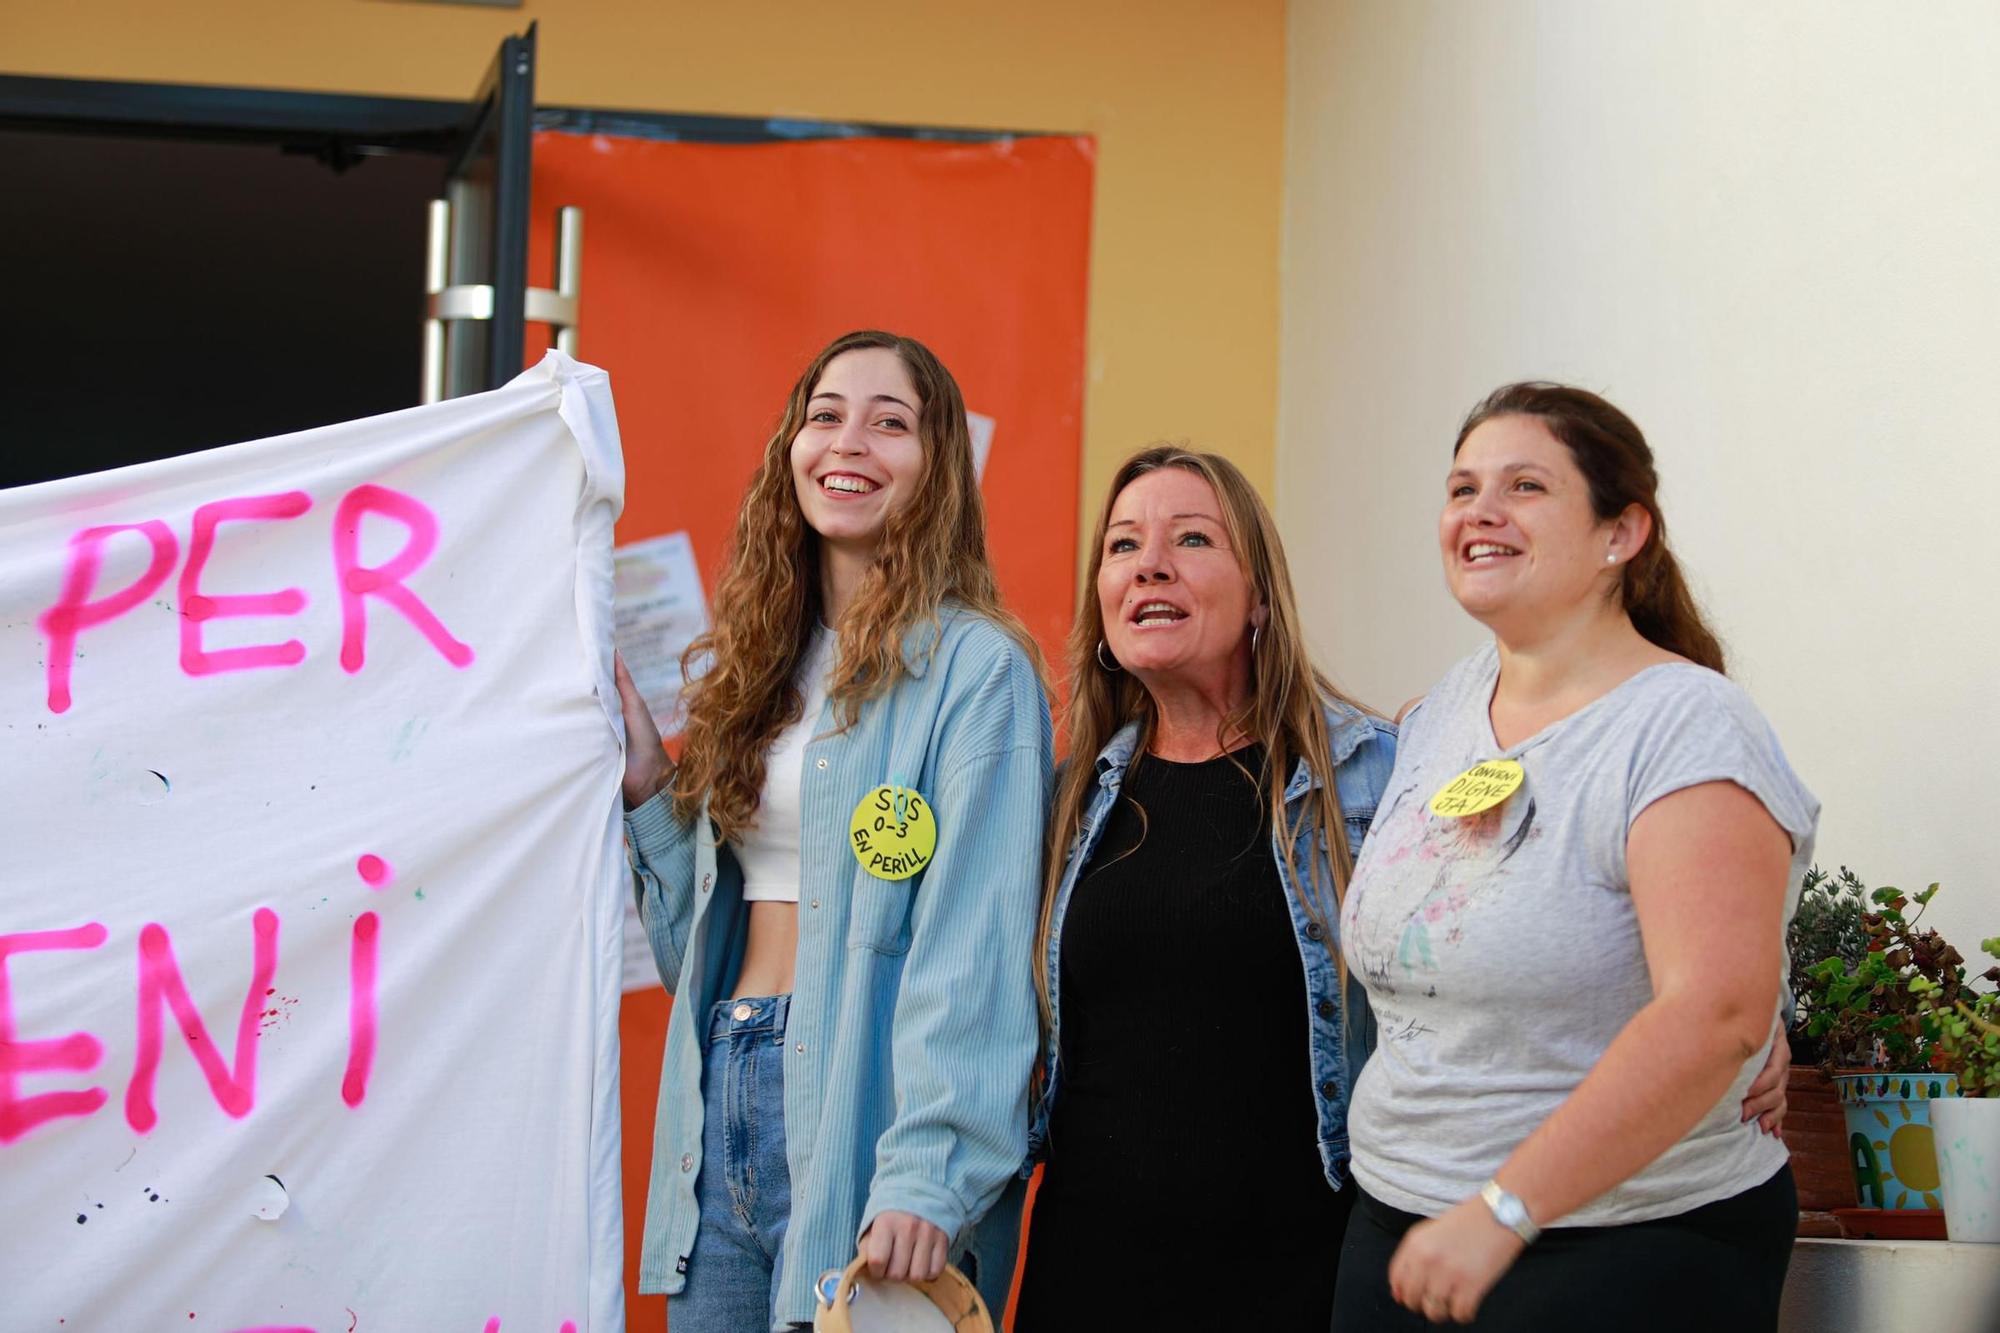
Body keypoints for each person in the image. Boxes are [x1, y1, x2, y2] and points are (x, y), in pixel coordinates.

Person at [1331, 382, 1816, 1330]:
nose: (1480, 511)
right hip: (1402, 1228)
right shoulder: (1439, 716)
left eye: (1524, 486)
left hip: (1621, 1243)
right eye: (1462, 486)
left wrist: (1506, 1207)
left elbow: (1715, 1009)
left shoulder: (1684, 723)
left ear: (1622, 532)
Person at [613, 330, 1052, 1333]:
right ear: (790, 449)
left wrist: (928, 1171)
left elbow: (974, 950)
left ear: (937, 467)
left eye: (889, 422)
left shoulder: (975, 673)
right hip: (722, 1085)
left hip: (868, 1116)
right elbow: (699, 948)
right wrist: (648, 781)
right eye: (825, 415)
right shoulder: (753, 668)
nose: (848, 441)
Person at [1013, 446, 1397, 1331]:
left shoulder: (1370, 776)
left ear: (1260, 594)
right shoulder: (1064, 801)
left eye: (1191, 538)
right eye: (1121, 546)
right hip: (1088, 1278)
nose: (1149, 562)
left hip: (1302, 1278)